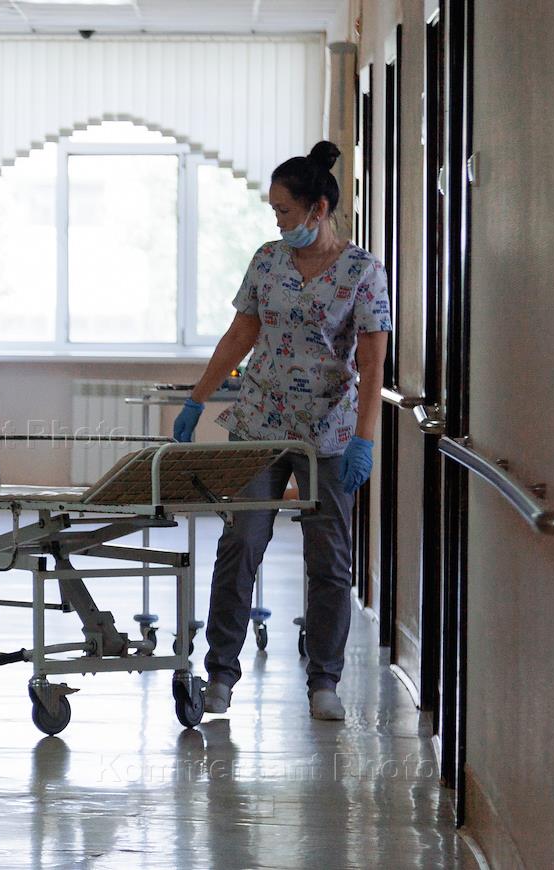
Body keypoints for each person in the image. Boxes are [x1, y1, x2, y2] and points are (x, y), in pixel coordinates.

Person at [172, 140, 391, 721]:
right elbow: (240, 334)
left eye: (285, 211)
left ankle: (324, 681)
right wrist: (197, 398)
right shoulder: (268, 260)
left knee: (329, 559)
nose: (278, 221)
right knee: (240, 544)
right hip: (259, 426)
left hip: (329, 434)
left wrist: (365, 438)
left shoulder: (363, 271)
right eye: (274, 211)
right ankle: (220, 674)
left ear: (319, 209)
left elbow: (373, 366)